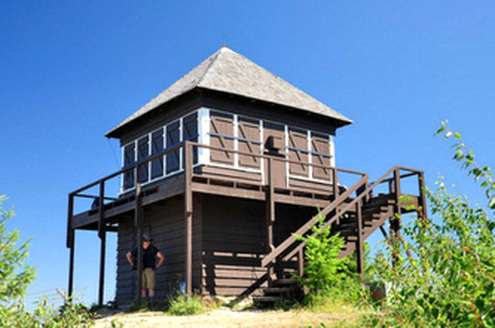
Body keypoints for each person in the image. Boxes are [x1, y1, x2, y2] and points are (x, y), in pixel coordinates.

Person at [126, 234, 165, 305]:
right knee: (142, 288)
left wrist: (157, 266)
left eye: (149, 241)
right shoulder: (138, 249)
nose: (148, 242)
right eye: (147, 241)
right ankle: (144, 304)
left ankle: (151, 305)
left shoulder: (152, 249)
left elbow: (162, 257)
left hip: (149, 269)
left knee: (151, 287)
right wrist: (132, 264)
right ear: (143, 241)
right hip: (140, 269)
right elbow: (128, 255)